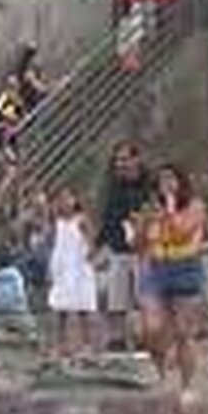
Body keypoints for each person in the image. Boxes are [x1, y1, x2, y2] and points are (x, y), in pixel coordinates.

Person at [135, 164, 207, 406]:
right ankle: (162, 373)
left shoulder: (195, 206)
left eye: (170, 179)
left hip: (185, 268)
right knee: (151, 328)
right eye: (161, 179)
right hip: (155, 269)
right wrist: (143, 223)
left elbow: (181, 230)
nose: (165, 184)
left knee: (185, 333)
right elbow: (137, 242)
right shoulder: (150, 208)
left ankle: (187, 386)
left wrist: (170, 206)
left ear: (181, 181)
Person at [98, 141, 152, 352]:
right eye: (118, 160)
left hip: (143, 249)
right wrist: (100, 245)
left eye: (124, 159)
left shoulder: (148, 184)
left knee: (143, 297)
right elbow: (108, 218)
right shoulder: (114, 186)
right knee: (116, 298)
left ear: (136, 160)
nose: (120, 164)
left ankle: (144, 338)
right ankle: (117, 339)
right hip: (119, 248)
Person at [48, 187, 99, 358]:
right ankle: (59, 345)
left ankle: (87, 345)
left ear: (75, 200)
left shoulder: (81, 220)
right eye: (60, 198)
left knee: (83, 307)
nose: (64, 202)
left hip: (79, 267)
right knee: (59, 308)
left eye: (68, 198)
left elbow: (91, 242)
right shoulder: (57, 221)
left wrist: (90, 257)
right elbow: (56, 243)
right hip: (62, 267)